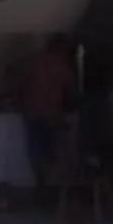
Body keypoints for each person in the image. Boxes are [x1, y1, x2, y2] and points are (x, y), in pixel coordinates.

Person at [20, 35, 77, 194]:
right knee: (54, 151)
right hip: (51, 114)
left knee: (36, 151)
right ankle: (55, 189)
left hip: (32, 112)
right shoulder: (61, 65)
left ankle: (41, 186)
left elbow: (20, 84)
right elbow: (71, 91)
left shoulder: (33, 61)